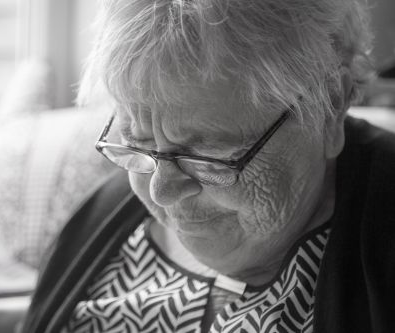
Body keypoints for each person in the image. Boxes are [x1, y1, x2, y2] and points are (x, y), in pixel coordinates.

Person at [22, 0, 395, 332]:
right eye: (139, 142)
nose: (161, 192)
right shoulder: (100, 218)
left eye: (206, 156)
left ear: (329, 106)